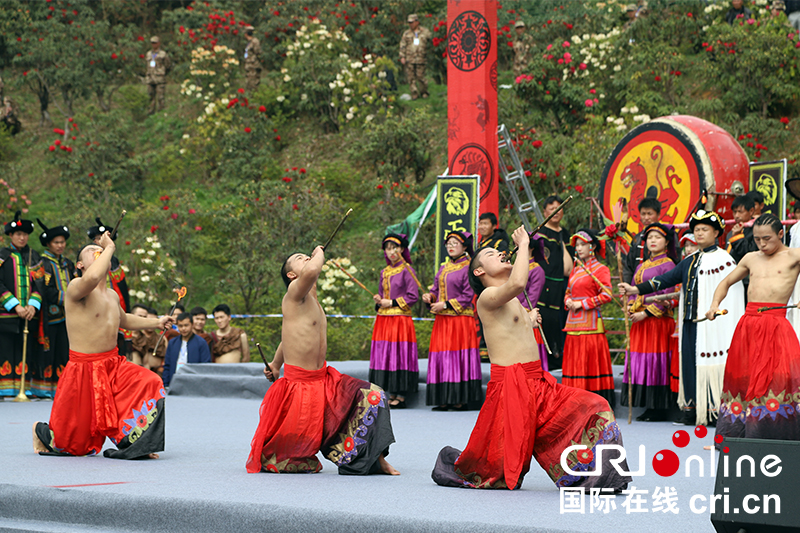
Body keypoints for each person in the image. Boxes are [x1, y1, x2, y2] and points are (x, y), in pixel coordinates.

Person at [431, 227, 631, 491]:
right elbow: (517, 283)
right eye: (491, 254)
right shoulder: (487, 298)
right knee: (494, 469)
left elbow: (516, 320)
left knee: (595, 405)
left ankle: (594, 477)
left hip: (537, 382)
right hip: (511, 388)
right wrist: (524, 244)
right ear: (479, 272)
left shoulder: (513, 301)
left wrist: (530, 321)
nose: (501, 253)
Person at [246, 247, 398, 475]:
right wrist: (318, 253)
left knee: (373, 396)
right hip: (301, 386)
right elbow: (313, 269)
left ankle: (376, 458)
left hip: (324, 380)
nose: (306, 258)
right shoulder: (293, 293)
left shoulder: (313, 300)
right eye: (299, 258)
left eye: (306, 256)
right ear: (291, 275)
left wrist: (276, 364)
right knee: (288, 457)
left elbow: (287, 336)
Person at [32, 232, 174, 459]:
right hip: (83, 369)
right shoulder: (76, 287)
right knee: (73, 446)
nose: (97, 251)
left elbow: (125, 320)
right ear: (80, 264)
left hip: (113, 365)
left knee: (151, 381)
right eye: (91, 251)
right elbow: (91, 278)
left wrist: (158, 322)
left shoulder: (111, 295)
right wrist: (109, 248)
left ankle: (137, 444)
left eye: (99, 249)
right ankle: (42, 431)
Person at [619, 210, 746, 426]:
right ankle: (692, 410)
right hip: (689, 322)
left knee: (712, 362)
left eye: (704, 229)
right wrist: (634, 289)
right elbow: (664, 280)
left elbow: (732, 295)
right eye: (696, 230)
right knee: (689, 364)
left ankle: (714, 411)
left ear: (716, 232)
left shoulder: (724, 259)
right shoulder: (689, 261)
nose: (699, 234)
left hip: (713, 324)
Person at [707, 214, 800, 442]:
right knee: (742, 378)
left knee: (777, 379)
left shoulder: (794, 255)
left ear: (780, 234)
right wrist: (714, 304)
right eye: (757, 239)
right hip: (748, 324)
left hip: (776, 322)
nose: (762, 244)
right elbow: (726, 282)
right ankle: (736, 438)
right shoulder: (750, 258)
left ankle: (775, 437)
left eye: (767, 238)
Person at [622, 223, 679, 421]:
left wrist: (646, 313)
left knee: (655, 362)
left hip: (656, 320)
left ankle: (658, 407)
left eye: (657, 237)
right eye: (650, 238)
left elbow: (667, 295)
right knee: (642, 361)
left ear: (666, 242)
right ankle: (647, 405)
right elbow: (633, 289)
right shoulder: (641, 265)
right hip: (640, 321)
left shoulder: (669, 264)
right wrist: (630, 306)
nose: (653, 241)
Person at [422, 231, 481, 411]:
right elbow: (435, 289)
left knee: (457, 357)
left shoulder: (469, 267)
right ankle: (444, 398)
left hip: (460, 320)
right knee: (443, 357)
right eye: (448, 243)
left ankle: (460, 399)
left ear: (464, 246)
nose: (450, 246)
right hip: (443, 321)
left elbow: (468, 295)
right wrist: (430, 297)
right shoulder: (444, 267)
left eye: (455, 243)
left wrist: (445, 304)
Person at [562, 229, 616, 408]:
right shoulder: (576, 270)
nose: (579, 248)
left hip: (591, 323)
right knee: (574, 360)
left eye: (582, 244)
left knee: (588, 361)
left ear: (592, 246)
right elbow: (568, 291)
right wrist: (568, 300)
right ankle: (574, 401)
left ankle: (593, 401)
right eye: (577, 245)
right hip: (573, 322)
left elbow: (607, 295)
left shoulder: (601, 270)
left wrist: (582, 304)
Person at [369, 234, 420, 410]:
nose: (392, 252)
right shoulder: (384, 272)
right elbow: (382, 296)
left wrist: (390, 302)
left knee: (399, 354)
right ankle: (390, 392)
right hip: (384, 320)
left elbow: (413, 296)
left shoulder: (407, 270)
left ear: (402, 250)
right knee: (386, 355)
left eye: (395, 248)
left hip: (400, 319)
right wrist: (379, 300)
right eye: (388, 248)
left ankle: (401, 394)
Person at [0, 212, 46, 398]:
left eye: (25, 234)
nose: (22, 237)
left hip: (29, 314)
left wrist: (32, 305)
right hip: (6, 314)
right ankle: (4, 389)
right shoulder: (2, 255)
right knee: (5, 348)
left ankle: (24, 388)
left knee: (26, 349)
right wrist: (15, 305)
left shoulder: (34, 256)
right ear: (11, 236)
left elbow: (40, 283)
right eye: (18, 234)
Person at [37, 218, 77, 391]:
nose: (60, 245)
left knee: (65, 349)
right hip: (50, 314)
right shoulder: (43, 263)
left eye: (62, 242)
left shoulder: (68, 263)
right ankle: (45, 387)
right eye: (56, 242)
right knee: (49, 349)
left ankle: (63, 386)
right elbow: (46, 289)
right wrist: (68, 298)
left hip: (69, 316)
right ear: (49, 244)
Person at [536, 195, 574, 370]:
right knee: (548, 321)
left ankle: (564, 359)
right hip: (546, 287)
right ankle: (548, 361)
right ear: (545, 212)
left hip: (565, 286)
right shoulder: (540, 234)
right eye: (551, 209)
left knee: (564, 322)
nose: (555, 212)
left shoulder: (566, 235)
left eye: (558, 208)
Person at [87, 218, 132, 358]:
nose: (100, 242)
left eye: (104, 238)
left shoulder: (114, 261)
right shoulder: (88, 259)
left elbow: (122, 288)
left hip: (115, 308)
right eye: (97, 239)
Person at [515, 234, 548, 370]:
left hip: (526, 319)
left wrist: (515, 313)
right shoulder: (513, 268)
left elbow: (531, 300)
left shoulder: (537, 270)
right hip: (512, 318)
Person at [163, 312, 211, 387]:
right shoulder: (172, 343)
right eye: (180, 326)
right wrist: (165, 385)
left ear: (192, 325)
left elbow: (205, 366)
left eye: (186, 325)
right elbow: (167, 366)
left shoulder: (201, 343)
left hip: (194, 384)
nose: (183, 329)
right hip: (174, 382)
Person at [622, 197, 662, 285]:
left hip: (660, 286)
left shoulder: (668, 236)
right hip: (637, 288)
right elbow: (629, 267)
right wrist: (626, 288)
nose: (646, 218)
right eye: (643, 214)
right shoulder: (637, 239)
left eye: (649, 214)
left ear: (658, 215)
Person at [727, 194, 758, 296]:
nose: (736, 216)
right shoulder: (731, 232)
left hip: (747, 280)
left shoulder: (756, 230)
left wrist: (737, 237)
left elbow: (749, 252)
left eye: (740, 212)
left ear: (751, 211)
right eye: (734, 212)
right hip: (731, 278)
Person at [399, 14, 431, 100]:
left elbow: (431, 41)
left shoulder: (425, 31)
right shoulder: (406, 33)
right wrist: (402, 56)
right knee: (411, 77)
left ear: (417, 22)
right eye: (409, 23)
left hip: (421, 58)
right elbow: (402, 45)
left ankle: (424, 92)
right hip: (410, 58)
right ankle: (414, 93)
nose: (410, 24)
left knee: (421, 77)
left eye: (412, 22)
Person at [130, 304, 166, 372]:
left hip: (139, 373)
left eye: (144, 317)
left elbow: (146, 364)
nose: (142, 319)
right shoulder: (122, 334)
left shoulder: (144, 338)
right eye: (140, 316)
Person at [145, 35, 172, 115]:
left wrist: (163, 73)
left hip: (159, 78)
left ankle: (161, 113)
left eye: (155, 43)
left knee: (160, 97)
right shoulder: (148, 54)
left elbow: (168, 65)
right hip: (150, 78)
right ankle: (151, 112)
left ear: (159, 43)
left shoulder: (163, 54)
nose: (154, 45)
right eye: (152, 43)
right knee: (150, 96)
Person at [243, 25, 263, 93]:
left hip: (253, 66)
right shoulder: (250, 42)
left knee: (254, 84)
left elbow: (258, 52)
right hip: (249, 66)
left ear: (246, 34)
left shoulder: (255, 41)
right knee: (249, 84)